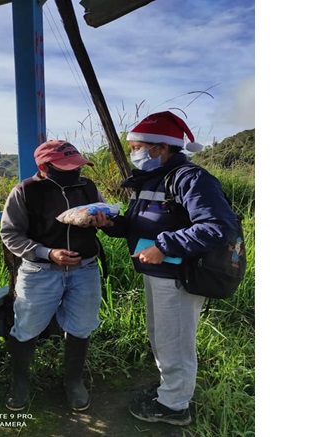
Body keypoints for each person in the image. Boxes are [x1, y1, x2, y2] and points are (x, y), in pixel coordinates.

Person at [92, 111, 240, 426]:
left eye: (138, 147)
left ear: (162, 148)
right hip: (155, 273)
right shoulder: (152, 179)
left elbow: (218, 227)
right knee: (161, 336)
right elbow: (140, 225)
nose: (134, 153)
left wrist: (164, 246)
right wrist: (111, 224)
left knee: (175, 342)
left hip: (178, 276)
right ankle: (169, 390)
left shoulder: (191, 178)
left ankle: (174, 406)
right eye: (132, 148)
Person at [0, 140, 105, 412]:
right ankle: (20, 381)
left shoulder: (87, 187)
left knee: (81, 326)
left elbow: (104, 214)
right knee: (27, 327)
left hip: (85, 270)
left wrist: (104, 220)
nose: (75, 172)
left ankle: (73, 381)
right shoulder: (25, 191)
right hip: (40, 272)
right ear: (45, 167)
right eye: (67, 167)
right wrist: (47, 253)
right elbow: (10, 233)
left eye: (78, 166)